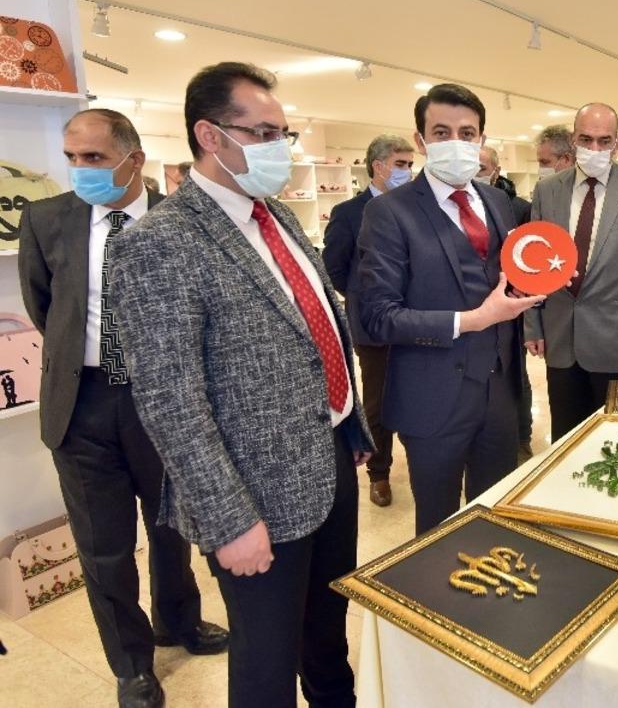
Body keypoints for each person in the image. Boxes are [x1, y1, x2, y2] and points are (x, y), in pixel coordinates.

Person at [108, 62, 374, 708]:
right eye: (263, 133)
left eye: (284, 134)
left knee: (326, 632)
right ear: (210, 135)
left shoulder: (275, 215)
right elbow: (170, 400)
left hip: (329, 459)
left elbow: (317, 324)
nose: (280, 149)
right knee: (265, 661)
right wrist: (229, 521)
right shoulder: (161, 242)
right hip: (254, 494)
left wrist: (351, 421)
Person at [18, 108, 227, 708]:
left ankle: (179, 622)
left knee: (172, 528)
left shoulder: (183, 219)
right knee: (103, 546)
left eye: (94, 158)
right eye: (73, 158)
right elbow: (47, 308)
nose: (81, 170)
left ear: (133, 159)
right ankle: (132, 664)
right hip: (80, 407)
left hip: (162, 401)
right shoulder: (47, 220)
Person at [357, 83, 543, 534]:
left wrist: (538, 284)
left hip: (500, 395)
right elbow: (378, 317)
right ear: (421, 142)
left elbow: (502, 279)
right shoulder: (390, 213)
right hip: (432, 399)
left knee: (494, 519)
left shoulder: (497, 202)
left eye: (467, 132)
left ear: (481, 139)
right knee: (437, 533)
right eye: (441, 132)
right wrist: (475, 320)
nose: (455, 143)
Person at [524, 103, 618, 441]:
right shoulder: (548, 190)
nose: (595, 149)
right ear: (573, 139)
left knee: (616, 439)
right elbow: (533, 266)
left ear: (617, 144)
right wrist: (533, 324)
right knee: (565, 437)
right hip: (561, 336)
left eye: (604, 141)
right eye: (586, 139)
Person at [322, 134, 415, 507]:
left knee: (417, 393)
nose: (408, 172)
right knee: (377, 402)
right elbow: (335, 268)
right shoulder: (348, 213)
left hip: (416, 321)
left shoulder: (415, 207)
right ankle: (379, 473)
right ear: (378, 166)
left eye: (410, 165)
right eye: (402, 164)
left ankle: (423, 458)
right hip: (374, 326)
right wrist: (367, 300)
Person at [477, 144, 535, 459]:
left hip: (513, 307)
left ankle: (521, 435)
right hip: (473, 311)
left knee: (515, 374)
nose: (475, 174)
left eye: (482, 168)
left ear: (497, 172)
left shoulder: (518, 208)